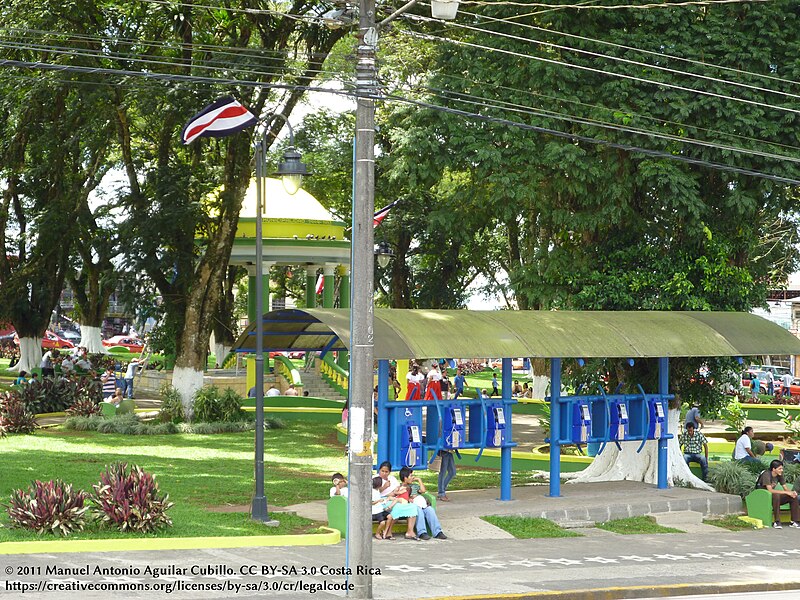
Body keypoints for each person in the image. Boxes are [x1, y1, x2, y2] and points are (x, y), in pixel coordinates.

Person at [398, 466, 446, 540]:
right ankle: (422, 532)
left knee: (430, 509)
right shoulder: (400, 487)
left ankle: (437, 532)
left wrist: (419, 480)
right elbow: (399, 497)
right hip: (411, 506)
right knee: (418, 510)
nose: (412, 477)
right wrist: (409, 499)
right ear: (405, 478)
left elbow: (423, 491)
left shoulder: (415, 486)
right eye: (411, 476)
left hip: (421, 504)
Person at [756, 460, 800, 529]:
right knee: (776, 495)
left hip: (772, 497)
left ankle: (794, 521)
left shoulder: (779, 475)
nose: (781, 470)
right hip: (762, 497)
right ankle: (777, 521)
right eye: (780, 469)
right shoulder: (766, 474)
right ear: (773, 469)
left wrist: (791, 493)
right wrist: (786, 492)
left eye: (782, 468)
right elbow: (770, 490)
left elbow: (785, 488)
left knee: (793, 497)